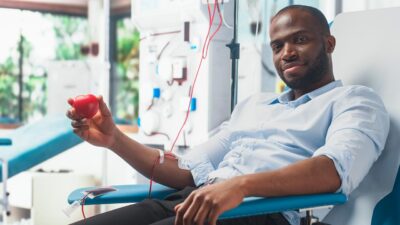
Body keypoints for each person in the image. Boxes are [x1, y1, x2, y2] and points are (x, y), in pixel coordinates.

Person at [67, 5, 390, 225]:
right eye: (277, 46)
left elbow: (333, 171)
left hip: (262, 212)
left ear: (329, 44)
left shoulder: (355, 102)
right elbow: (186, 172)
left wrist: (239, 187)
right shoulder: (255, 106)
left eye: (300, 40)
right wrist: (114, 140)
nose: (287, 52)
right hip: (197, 198)